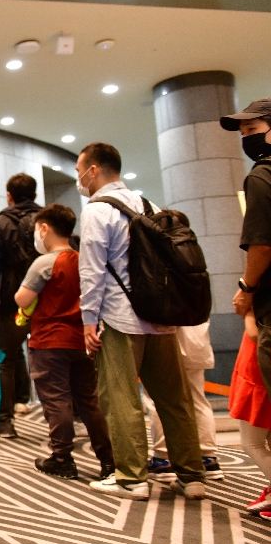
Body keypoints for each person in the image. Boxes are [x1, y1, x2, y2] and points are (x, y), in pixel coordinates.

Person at [76, 141, 205, 500]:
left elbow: (92, 271)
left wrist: (88, 320)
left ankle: (131, 477)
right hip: (162, 317)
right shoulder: (150, 205)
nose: (79, 178)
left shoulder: (97, 211)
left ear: (94, 170)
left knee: (121, 399)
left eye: (78, 170)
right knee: (174, 399)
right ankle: (191, 475)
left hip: (120, 317)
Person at [13, 204, 114, 481]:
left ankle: (62, 458)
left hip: (49, 342)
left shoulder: (45, 263)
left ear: (44, 229)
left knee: (57, 402)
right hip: (82, 340)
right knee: (89, 402)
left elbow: (21, 299)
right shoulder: (85, 260)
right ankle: (108, 460)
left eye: (37, 230)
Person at [142, 214, 223, 481]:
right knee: (198, 398)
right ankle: (208, 457)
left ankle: (163, 457)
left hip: (173, 338)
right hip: (198, 336)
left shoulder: (162, 261)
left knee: (160, 400)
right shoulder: (195, 257)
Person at [0, 174, 41, 438]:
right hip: (45, 298)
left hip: (10, 301)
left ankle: (5, 422)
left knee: (5, 360)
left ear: (9, 195)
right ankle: (69, 418)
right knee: (57, 359)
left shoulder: (1, 223)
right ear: (35, 194)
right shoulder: (47, 219)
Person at [226, 98, 271, 404]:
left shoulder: (261, 177)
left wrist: (247, 288)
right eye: (243, 133)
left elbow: (262, 245)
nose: (247, 139)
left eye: (253, 129)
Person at [230, 313, 271, 518]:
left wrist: (247, 308)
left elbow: (255, 333)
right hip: (259, 369)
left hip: (258, 369)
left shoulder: (259, 292)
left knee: (251, 442)